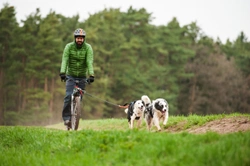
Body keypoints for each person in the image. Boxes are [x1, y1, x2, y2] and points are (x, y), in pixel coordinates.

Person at [59, 28, 95, 127]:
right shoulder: (69, 47)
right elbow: (65, 60)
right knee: (68, 96)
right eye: (78, 38)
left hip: (83, 76)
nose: (79, 40)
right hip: (70, 75)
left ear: (84, 39)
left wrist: (91, 75)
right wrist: (62, 72)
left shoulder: (88, 48)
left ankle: (76, 114)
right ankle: (66, 118)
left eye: (81, 38)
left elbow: (89, 61)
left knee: (80, 97)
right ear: (75, 38)